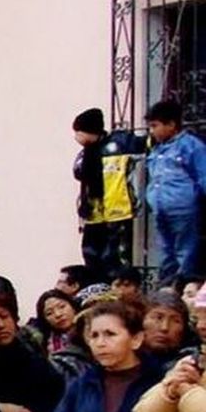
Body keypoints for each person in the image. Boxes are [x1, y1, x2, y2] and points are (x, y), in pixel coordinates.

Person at [73, 107, 143, 281]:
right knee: (92, 256)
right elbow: (77, 172)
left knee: (115, 258)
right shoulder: (86, 153)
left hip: (117, 211)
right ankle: (97, 287)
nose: (77, 137)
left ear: (91, 131)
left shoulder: (119, 145)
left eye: (80, 132)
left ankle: (117, 289)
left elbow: (147, 146)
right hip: (94, 213)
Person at [145, 99, 206, 283]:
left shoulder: (191, 146)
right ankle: (167, 285)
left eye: (155, 126)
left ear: (171, 124)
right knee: (165, 252)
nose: (151, 131)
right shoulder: (157, 149)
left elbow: (203, 176)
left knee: (185, 250)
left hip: (184, 210)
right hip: (161, 209)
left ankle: (183, 285)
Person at [27, 289, 80, 355]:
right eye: (49, 313)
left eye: (62, 307)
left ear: (73, 306)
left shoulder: (90, 326)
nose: (58, 314)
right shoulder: (46, 345)